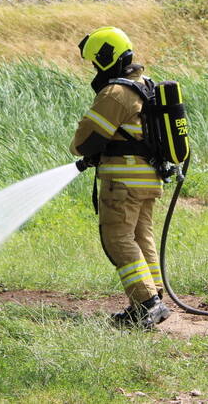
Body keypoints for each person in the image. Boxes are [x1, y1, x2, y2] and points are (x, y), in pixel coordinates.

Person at [71, 26, 171, 329]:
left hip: (123, 183)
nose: (94, 69)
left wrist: (85, 146)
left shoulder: (116, 93)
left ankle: (145, 304)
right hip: (148, 179)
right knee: (142, 237)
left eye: (94, 62)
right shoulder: (145, 85)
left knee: (117, 239)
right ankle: (156, 298)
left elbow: (84, 141)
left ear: (105, 58)